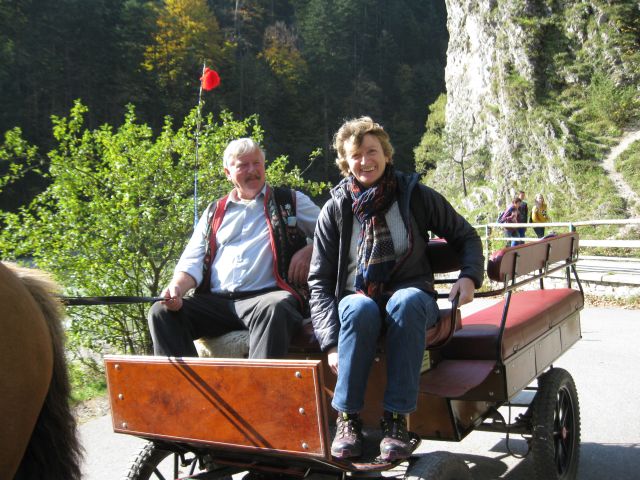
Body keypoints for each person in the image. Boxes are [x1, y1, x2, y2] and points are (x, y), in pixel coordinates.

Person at [308, 117, 484, 462]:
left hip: (412, 296)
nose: (365, 161)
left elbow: (466, 236)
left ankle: (396, 421)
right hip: (358, 299)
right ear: (346, 163)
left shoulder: (414, 196)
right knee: (357, 307)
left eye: (372, 151)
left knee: (406, 300)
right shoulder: (335, 209)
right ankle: (348, 419)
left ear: (386, 154)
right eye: (356, 155)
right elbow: (320, 281)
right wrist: (330, 344)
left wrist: (469, 277)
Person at [148, 138, 320, 359]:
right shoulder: (214, 211)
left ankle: (258, 381)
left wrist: (311, 249)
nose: (252, 171)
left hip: (265, 299)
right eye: (243, 165)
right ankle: (186, 383)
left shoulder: (290, 201)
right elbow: (193, 260)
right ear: (227, 173)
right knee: (161, 312)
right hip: (216, 304)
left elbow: (335, 232)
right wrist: (176, 289)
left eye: (257, 163)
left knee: (278, 306)